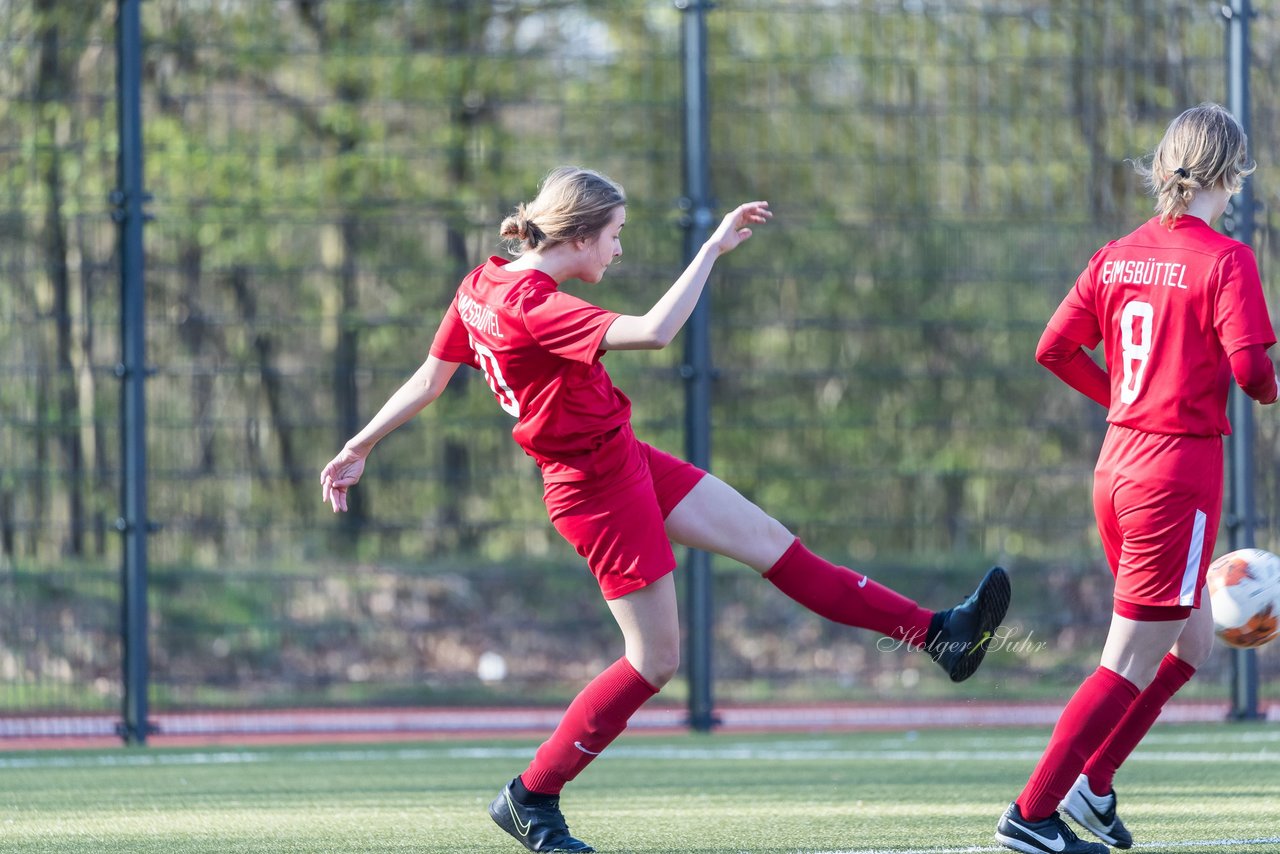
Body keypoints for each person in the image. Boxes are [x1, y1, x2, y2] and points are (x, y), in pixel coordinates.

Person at [320, 166, 1012, 854]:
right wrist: (710, 250)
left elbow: (430, 378)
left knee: (775, 547)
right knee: (654, 661)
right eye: (615, 236)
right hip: (593, 489)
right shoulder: (534, 304)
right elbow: (654, 331)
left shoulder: (481, 284)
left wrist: (359, 444)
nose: (619, 251)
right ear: (581, 236)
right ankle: (531, 796)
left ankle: (940, 636)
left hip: (622, 456)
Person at [995, 103, 1278, 854]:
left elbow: (1053, 348)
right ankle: (1032, 813)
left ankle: (1093, 784)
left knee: (1190, 646)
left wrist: (1125, 397)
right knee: (1125, 660)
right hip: (1172, 475)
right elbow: (1252, 372)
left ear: (1164, 168)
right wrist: (1266, 388)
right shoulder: (1227, 259)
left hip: (1118, 467)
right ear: (1234, 173)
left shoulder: (1116, 253)